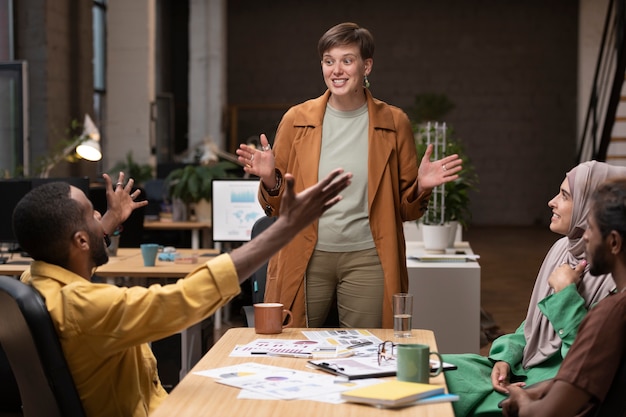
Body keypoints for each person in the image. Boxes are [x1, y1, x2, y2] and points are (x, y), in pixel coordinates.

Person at [12, 169, 352, 417]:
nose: (99, 214)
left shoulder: (33, 281)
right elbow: (183, 299)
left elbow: (74, 259)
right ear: (80, 242)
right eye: (91, 213)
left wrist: (109, 222)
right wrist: (285, 229)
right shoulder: (87, 308)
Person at [235, 22, 462, 329]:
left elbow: (405, 211)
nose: (336, 70)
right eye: (329, 61)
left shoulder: (395, 122)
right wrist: (269, 180)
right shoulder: (296, 120)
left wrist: (421, 187)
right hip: (305, 254)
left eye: (347, 60)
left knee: (368, 352)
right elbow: (276, 207)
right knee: (292, 347)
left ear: (366, 65)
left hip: (367, 258)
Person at [442, 160, 626, 417]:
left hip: (550, 385)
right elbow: (534, 325)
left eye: (565, 195)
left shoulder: (613, 286)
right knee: (437, 367)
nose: (552, 202)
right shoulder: (563, 250)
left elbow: (586, 359)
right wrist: (507, 355)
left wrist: (565, 295)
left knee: (440, 390)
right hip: (524, 367)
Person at [501, 177, 626, 417]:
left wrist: (521, 400)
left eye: (590, 227)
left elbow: (544, 414)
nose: (584, 237)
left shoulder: (612, 311)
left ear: (613, 242)